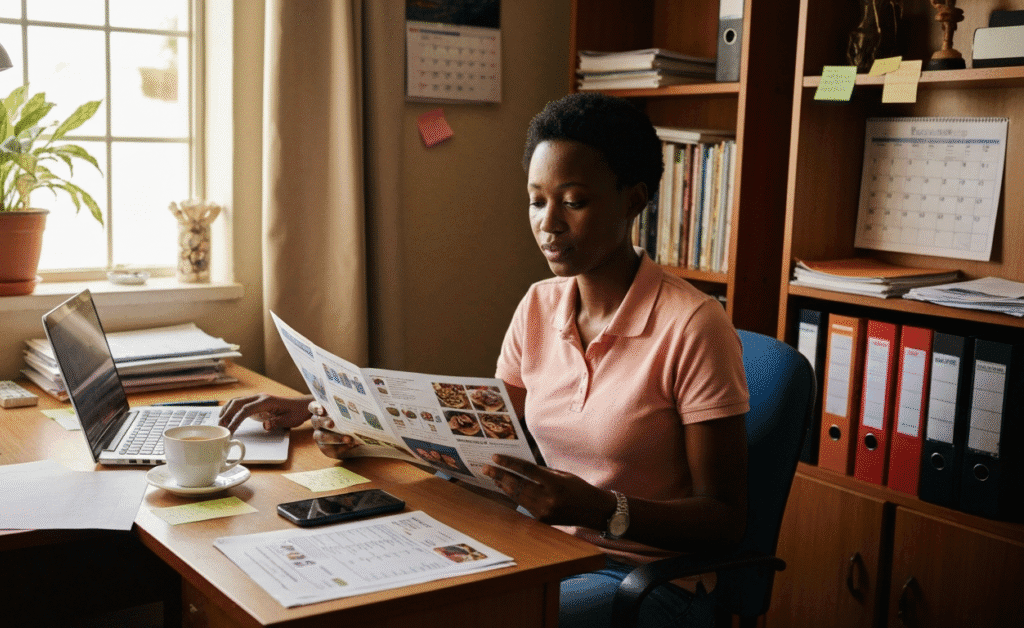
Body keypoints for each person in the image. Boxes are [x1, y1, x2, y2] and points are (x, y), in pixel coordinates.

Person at [219, 92, 749, 628]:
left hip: (637, 577)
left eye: (574, 201)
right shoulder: (540, 305)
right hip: (539, 547)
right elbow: (478, 434)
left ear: (634, 201)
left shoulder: (695, 327)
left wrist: (602, 510)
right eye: (536, 201)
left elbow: (726, 519)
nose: (549, 223)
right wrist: (331, 413)